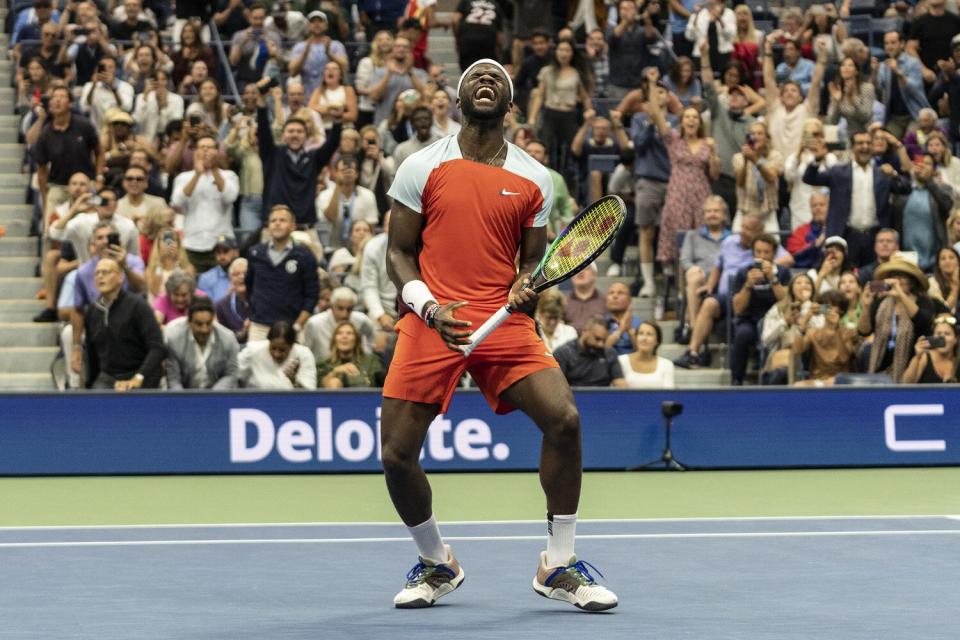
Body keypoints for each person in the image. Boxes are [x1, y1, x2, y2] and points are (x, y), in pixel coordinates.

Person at [381, 59, 618, 611]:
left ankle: (558, 565)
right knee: (395, 454)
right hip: (432, 317)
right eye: (475, 77)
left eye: (498, 79)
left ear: (510, 103)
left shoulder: (533, 177)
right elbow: (399, 253)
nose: (485, 80)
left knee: (565, 420)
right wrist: (429, 307)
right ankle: (437, 562)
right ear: (458, 98)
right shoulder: (420, 166)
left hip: (502, 322)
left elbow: (534, 263)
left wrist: (523, 287)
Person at [674, 213, 791, 369]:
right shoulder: (729, 241)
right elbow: (718, 265)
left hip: (749, 297)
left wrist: (766, 264)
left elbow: (789, 259)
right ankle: (693, 352)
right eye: (742, 227)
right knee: (709, 303)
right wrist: (710, 284)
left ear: (759, 232)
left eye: (748, 229)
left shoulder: (764, 245)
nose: (743, 231)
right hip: (725, 295)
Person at [803, 132, 912, 268]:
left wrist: (894, 174)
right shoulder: (838, 172)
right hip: (847, 235)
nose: (865, 147)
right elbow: (809, 178)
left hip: (875, 237)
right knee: (846, 280)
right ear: (852, 148)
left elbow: (906, 188)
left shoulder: (882, 173)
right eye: (860, 143)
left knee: (874, 280)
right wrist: (817, 160)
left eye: (868, 143)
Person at [643, 79, 718, 269]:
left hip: (701, 193)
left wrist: (714, 153)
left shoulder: (706, 143)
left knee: (700, 241)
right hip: (678, 193)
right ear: (682, 122)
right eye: (687, 117)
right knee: (679, 240)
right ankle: (678, 284)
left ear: (699, 122)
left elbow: (715, 175)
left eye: (695, 117)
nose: (691, 120)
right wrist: (652, 86)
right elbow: (657, 115)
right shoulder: (673, 139)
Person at [258, 82, 342, 228]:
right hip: (274, 227)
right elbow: (263, 131)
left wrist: (337, 121)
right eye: (290, 131)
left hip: (306, 226)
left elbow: (332, 144)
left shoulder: (314, 158)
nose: (295, 135)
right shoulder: (272, 155)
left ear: (306, 135)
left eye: (299, 132)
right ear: (283, 135)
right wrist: (261, 103)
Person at [81, 257, 164, 390]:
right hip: (108, 377)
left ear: (120, 277)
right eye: (97, 273)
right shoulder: (92, 311)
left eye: (106, 272)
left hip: (140, 374)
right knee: (95, 401)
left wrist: (139, 377)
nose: (100, 276)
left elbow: (157, 347)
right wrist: (89, 385)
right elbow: (92, 354)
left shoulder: (138, 306)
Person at [245, 205, 320, 343]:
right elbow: (249, 287)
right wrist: (253, 314)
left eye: (282, 220)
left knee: (294, 365)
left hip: (292, 326)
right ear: (268, 226)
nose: (277, 223)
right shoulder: (255, 253)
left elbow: (312, 295)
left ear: (292, 226)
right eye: (273, 221)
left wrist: (297, 325)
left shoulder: (304, 256)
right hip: (260, 327)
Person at [699, 39, 755, 219]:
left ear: (747, 101)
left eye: (740, 95)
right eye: (732, 95)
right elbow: (708, 84)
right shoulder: (718, 112)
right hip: (718, 179)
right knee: (715, 222)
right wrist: (705, 55)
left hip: (743, 182)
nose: (735, 98)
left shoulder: (752, 124)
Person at [858, 257, 936, 383]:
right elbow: (864, 331)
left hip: (912, 368)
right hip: (879, 371)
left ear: (912, 282)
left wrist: (901, 296)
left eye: (902, 277)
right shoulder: (880, 303)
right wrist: (866, 306)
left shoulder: (923, 302)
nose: (897, 281)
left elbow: (924, 323)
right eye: (894, 276)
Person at [170, 134, 239, 274]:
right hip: (192, 244)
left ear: (217, 152)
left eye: (210, 147)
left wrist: (214, 170)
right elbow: (177, 201)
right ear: (196, 152)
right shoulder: (183, 177)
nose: (206, 151)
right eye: (202, 147)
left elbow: (230, 197)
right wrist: (197, 174)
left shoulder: (229, 176)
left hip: (221, 245)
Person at [33, 87, 101, 226]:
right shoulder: (45, 134)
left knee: (92, 226)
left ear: (70, 103)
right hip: (58, 186)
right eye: (54, 97)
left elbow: (99, 152)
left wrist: (99, 178)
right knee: (50, 228)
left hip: (85, 185)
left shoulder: (84, 125)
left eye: (62, 96)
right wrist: (45, 197)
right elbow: (42, 169)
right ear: (50, 104)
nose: (57, 100)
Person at [728, 234, 790, 385]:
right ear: (753, 253)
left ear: (774, 254)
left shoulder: (782, 272)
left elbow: (787, 301)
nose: (762, 256)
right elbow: (737, 308)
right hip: (749, 320)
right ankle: (736, 381)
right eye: (758, 252)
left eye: (766, 252)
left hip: (777, 320)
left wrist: (773, 279)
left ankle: (772, 381)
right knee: (742, 334)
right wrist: (748, 285)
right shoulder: (744, 273)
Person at [678, 196, 731, 344]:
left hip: (724, 280)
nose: (712, 214)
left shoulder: (732, 238)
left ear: (724, 215)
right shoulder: (692, 236)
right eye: (708, 211)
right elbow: (684, 260)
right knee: (693, 275)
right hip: (700, 279)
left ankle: (693, 330)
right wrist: (695, 269)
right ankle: (695, 326)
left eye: (716, 211)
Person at [48, 186, 140, 264]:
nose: (107, 204)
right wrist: (74, 209)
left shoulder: (128, 225)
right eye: (103, 200)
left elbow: (134, 257)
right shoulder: (82, 221)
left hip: (116, 273)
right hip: (85, 272)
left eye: (111, 200)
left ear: (117, 204)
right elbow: (55, 233)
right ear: (96, 203)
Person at [164, 297, 240, 389]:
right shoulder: (175, 340)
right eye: (199, 324)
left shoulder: (228, 338)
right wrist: (182, 401)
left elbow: (231, 374)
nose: (204, 329)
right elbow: (174, 380)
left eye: (208, 323)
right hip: (185, 395)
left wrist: (213, 397)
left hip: (219, 397)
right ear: (189, 322)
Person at [792, 291, 859, 387]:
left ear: (841, 310)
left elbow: (843, 358)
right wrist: (805, 321)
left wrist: (837, 329)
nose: (829, 309)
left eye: (833, 305)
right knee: (798, 386)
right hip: (818, 379)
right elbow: (797, 350)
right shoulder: (813, 333)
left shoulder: (849, 332)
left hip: (842, 380)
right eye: (826, 306)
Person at [900, 153, 955, 271]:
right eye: (920, 162)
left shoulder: (943, 189)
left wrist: (929, 181)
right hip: (907, 260)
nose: (923, 166)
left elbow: (947, 206)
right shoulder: (904, 191)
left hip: (935, 260)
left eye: (928, 163)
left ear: (934, 170)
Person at [316, 154, 380, 252]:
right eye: (342, 170)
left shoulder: (368, 195)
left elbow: (370, 229)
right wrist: (338, 185)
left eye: (350, 170)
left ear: (357, 174)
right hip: (331, 248)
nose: (347, 173)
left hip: (360, 250)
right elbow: (331, 217)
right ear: (335, 173)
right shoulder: (325, 195)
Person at [759, 272, 815, 384]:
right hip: (781, 358)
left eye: (808, 283)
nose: (803, 285)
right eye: (798, 283)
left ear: (813, 289)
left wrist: (807, 311)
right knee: (783, 371)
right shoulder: (777, 308)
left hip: (811, 358)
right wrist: (784, 321)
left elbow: (827, 333)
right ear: (791, 289)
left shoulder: (820, 307)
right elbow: (765, 340)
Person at [876, 31, 930, 141]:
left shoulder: (913, 63)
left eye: (893, 43)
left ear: (902, 44)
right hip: (894, 118)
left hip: (914, 115)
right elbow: (878, 88)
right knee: (885, 142)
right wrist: (873, 72)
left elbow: (915, 88)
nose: (889, 46)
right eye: (886, 43)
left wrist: (898, 72)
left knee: (911, 141)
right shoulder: (883, 66)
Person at [784, 121, 837, 231]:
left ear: (822, 136)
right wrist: (799, 151)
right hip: (801, 208)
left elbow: (835, 178)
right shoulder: (795, 157)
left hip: (825, 211)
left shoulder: (830, 157)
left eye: (816, 134)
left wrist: (823, 155)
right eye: (809, 135)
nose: (813, 139)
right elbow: (788, 176)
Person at [732, 121, 784, 233]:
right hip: (745, 211)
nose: (756, 137)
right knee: (736, 244)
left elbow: (771, 177)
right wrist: (746, 161)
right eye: (753, 134)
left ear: (766, 137)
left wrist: (755, 159)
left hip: (767, 213)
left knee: (773, 244)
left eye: (760, 133)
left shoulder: (775, 156)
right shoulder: (738, 157)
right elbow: (740, 182)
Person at [302, 286, 377, 361]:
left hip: (354, 365)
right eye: (340, 308)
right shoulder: (315, 323)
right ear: (332, 306)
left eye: (349, 309)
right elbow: (305, 350)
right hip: (321, 368)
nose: (345, 314)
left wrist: (366, 354)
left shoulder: (361, 320)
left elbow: (372, 339)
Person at [238, 322, 318, 389]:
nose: (277, 354)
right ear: (268, 342)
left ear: (292, 346)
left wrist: (294, 381)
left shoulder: (304, 354)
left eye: (282, 350)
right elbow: (233, 375)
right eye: (273, 348)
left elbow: (308, 395)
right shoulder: (252, 350)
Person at [553, 316, 627, 388]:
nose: (601, 344)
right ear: (584, 331)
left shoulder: (609, 353)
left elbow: (620, 384)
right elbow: (556, 388)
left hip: (602, 398)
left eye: (604, 340)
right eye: (597, 339)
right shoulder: (563, 354)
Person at [317, 321, 385, 388]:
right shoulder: (324, 363)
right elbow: (318, 386)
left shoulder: (371, 360)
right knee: (334, 382)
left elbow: (381, 383)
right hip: (332, 398)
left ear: (356, 339)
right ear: (334, 339)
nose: (344, 336)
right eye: (339, 333)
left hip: (364, 397)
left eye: (349, 333)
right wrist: (335, 372)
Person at [825, 55, 875, 137]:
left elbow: (865, 117)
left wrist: (851, 98)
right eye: (843, 65)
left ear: (856, 71)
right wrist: (836, 102)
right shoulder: (838, 90)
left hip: (867, 133)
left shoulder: (867, 88)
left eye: (850, 65)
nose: (846, 68)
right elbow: (832, 121)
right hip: (851, 135)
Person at [903, 315, 960, 384]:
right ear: (933, 337)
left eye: (947, 334)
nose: (942, 337)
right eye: (938, 334)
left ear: (955, 339)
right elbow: (907, 384)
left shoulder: (958, 360)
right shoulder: (925, 357)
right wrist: (917, 356)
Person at [618, 321, 674, 389]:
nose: (644, 338)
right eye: (641, 334)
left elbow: (668, 395)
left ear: (657, 341)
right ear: (636, 338)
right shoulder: (621, 361)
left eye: (649, 334)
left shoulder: (666, 365)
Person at [452, 0, 504, 72]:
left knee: (467, 72)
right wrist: (499, 48)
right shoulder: (495, 4)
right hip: (488, 41)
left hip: (468, 39)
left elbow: (455, 20)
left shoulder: (466, 2)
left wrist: (457, 40)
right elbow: (499, 34)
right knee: (487, 72)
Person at [215, 257, 251, 344]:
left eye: (245, 273)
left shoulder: (263, 301)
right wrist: (243, 332)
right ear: (230, 279)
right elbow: (221, 339)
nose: (242, 277)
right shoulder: (221, 306)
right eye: (236, 274)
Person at [564, 263, 606, 333]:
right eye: (576, 269)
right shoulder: (563, 302)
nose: (580, 272)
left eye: (585, 268)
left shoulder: (606, 301)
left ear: (594, 275)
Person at [197, 235, 238, 303]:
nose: (222, 256)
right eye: (218, 253)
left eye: (225, 251)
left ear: (236, 253)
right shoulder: (205, 278)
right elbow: (206, 308)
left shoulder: (246, 274)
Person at [929, 247, 960, 315]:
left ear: (958, 262)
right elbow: (944, 311)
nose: (947, 261)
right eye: (943, 258)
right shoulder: (932, 283)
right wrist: (955, 287)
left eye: (951, 257)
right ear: (938, 264)